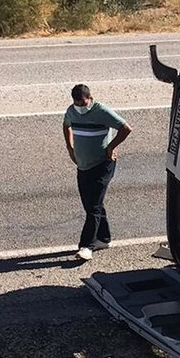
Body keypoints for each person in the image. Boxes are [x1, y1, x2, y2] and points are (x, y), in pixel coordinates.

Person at [63, 83, 131, 261]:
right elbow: (66, 125)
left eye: (83, 103)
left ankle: (86, 246)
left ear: (90, 98)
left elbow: (125, 128)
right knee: (91, 204)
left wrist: (111, 147)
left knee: (92, 207)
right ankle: (104, 238)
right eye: (77, 103)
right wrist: (70, 149)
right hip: (83, 165)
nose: (80, 107)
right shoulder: (72, 111)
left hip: (102, 165)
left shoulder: (101, 111)